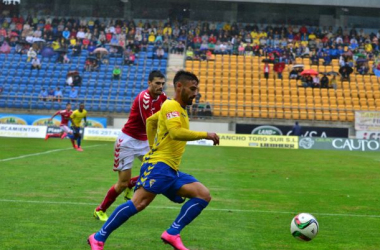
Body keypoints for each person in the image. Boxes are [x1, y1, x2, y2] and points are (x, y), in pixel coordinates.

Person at [88, 70, 220, 250]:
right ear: (179, 86)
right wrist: (206, 134)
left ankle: (173, 233)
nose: (196, 93)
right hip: (159, 166)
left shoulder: (178, 108)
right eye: (193, 88)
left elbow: (150, 121)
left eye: (197, 89)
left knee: (203, 195)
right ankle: (98, 237)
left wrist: (152, 147)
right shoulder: (171, 105)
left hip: (170, 169)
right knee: (138, 203)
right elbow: (175, 132)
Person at [93, 70, 167, 222]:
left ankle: (132, 184)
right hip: (128, 141)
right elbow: (150, 123)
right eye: (157, 83)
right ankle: (100, 210)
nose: (160, 86)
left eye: (162, 84)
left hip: (144, 141)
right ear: (149, 83)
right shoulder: (143, 98)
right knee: (122, 183)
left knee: (158, 170)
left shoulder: (163, 98)